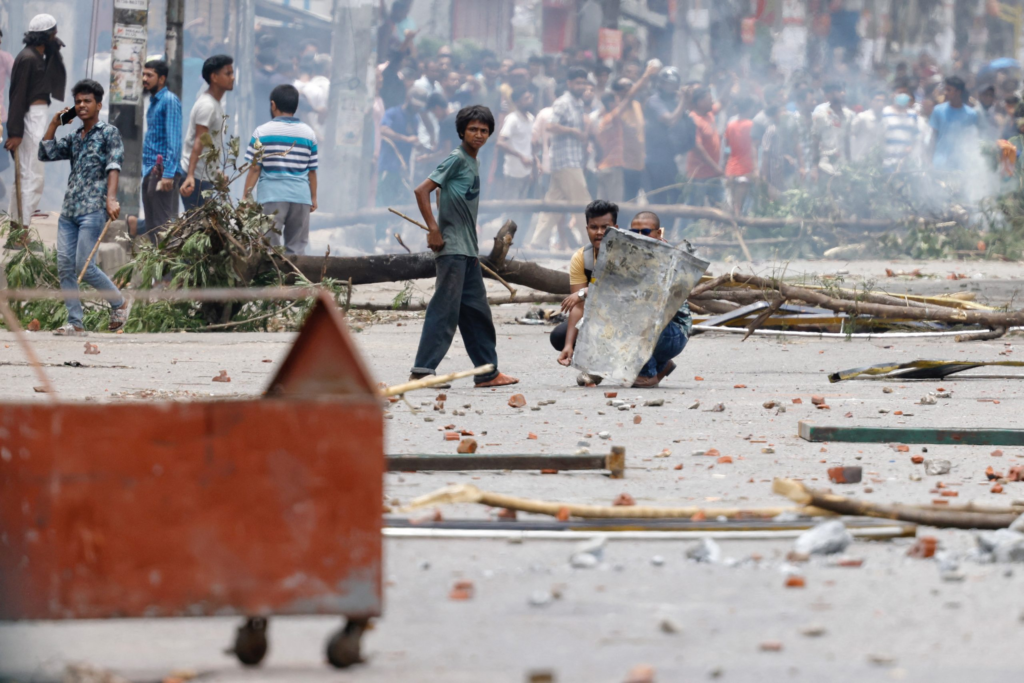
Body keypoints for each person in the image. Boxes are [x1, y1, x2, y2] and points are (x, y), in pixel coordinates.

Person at [409, 105, 519, 388]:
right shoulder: (456, 158)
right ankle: (422, 372)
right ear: (462, 132)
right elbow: (423, 190)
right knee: (445, 310)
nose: (479, 134)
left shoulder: (473, 161)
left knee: (477, 312)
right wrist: (435, 230)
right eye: (473, 129)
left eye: (484, 130)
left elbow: (443, 193)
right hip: (453, 250)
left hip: (467, 249)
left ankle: (487, 372)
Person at [551, 202, 688, 388]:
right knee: (561, 335)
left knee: (628, 315)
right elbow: (581, 306)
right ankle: (638, 365)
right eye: (594, 227)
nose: (599, 232)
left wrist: (585, 292)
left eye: (605, 227)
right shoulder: (583, 257)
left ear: (615, 229)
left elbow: (630, 295)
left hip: (668, 330)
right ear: (587, 229)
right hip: (626, 321)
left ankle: (648, 373)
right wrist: (568, 345)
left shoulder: (646, 254)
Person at [38, 79, 128, 335]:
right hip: (69, 212)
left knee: (85, 266)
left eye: (87, 101)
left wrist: (110, 199)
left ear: (99, 105)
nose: (81, 105)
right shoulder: (75, 137)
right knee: (64, 265)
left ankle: (119, 302)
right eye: (78, 102)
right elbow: (46, 153)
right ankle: (75, 322)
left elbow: (114, 165)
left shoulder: (108, 133)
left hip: (93, 210)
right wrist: (55, 123)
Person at [242, 84, 318, 256]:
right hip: (301, 198)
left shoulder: (262, 132)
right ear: (295, 107)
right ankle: (294, 280)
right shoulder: (309, 134)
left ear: (273, 105)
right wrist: (313, 197)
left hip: (271, 198)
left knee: (270, 249)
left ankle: (273, 281)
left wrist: (246, 196)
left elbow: (255, 169)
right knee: (297, 248)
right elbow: (312, 171)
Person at [6, 14, 66, 225]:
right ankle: (22, 228)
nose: (57, 37)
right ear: (46, 36)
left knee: (26, 175)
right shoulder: (28, 58)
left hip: (37, 117)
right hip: (30, 119)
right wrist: (14, 132)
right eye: (54, 34)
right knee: (33, 175)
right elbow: (17, 95)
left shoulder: (38, 56)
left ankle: (16, 225)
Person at [529, 67, 592, 250]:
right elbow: (550, 126)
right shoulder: (563, 102)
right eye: (578, 83)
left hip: (572, 159)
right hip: (565, 161)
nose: (581, 86)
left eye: (584, 83)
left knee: (553, 203)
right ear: (570, 84)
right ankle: (590, 242)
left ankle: (537, 242)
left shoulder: (578, 104)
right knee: (582, 201)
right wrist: (573, 131)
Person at [594, 64, 657, 202]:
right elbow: (630, 96)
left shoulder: (636, 105)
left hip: (641, 163)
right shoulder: (616, 113)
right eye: (626, 87)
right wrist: (646, 74)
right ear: (617, 93)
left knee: (641, 202)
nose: (630, 89)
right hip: (624, 166)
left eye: (631, 85)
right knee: (622, 204)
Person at [180, 54, 235, 211]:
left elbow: (209, 144)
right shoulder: (207, 105)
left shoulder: (214, 103)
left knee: (202, 227)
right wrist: (190, 176)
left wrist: (215, 171)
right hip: (196, 178)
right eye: (228, 73)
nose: (232, 78)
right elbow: (199, 140)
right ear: (214, 77)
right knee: (199, 228)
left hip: (203, 175)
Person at [135, 59, 182, 240]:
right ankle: (157, 267)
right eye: (144, 74)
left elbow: (174, 141)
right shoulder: (154, 102)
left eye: (150, 75)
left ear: (161, 79)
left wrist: (168, 174)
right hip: (151, 170)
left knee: (162, 228)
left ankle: (166, 268)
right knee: (152, 227)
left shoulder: (169, 101)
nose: (144, 79)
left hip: (162, 173)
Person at [376, 86, 427, 240]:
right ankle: (379, 235)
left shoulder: (415, 118)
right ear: (408, 99)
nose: (417, 108)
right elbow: (383, 130)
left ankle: (393, 237)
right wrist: (405, 139)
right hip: (388, 166)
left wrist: (417, 144)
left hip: (403, 168)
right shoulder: (393, 112)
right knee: (383, 201)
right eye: (415, 104)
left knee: (400, 201)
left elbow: (413, 137)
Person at [644, 67, 694, 205]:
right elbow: (670, 120)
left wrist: (686, 100)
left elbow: (688, 120)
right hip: (655, 158)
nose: (670, 87)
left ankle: (670, 226)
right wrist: (683, 101)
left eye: (673, 84)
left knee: (676, 196)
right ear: (660, 83)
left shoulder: (676, 100)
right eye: (667, 83)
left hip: (671, 157)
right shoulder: (654, 101)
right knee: (658, 199)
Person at [929, 76, 979, 174]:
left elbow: (971, 140)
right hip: (940, 164)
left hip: (961, 166)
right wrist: (929, 162)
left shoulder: (971, 114)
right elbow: (933, 138)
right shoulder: (938, 111)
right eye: (945, 89)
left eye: (949, 90)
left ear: (958, 92)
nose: (945, 93)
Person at [685, 86, 724, 210]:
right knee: (694, 209)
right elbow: (698, 148)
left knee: (719, 206)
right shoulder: (693, 120)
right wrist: (715, 167)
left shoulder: (709, 113)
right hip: (699, 175)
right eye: (709, 99)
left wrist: (730, 85)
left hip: (713, 173)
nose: (712, 102)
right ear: (700, 102)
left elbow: (722, 103)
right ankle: (683, 230)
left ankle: (719, 229)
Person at [495, 87, 535, 203]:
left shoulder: (531, 118)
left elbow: (529, 144)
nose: (530, 100)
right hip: (513, 171)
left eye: (530, 97)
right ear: (517, 102)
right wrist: (520, 156)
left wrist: (535, 161)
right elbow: (500, 142)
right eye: (526, 99)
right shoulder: (512, 119)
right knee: (511, 207)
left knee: (521, 207)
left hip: (526, 171)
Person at [811, 81, 854, 179]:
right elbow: (815, 141)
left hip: (843, 165)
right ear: (828, 96)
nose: (842, 94)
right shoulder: (821, 115)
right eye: (837, 91)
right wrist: (814, 167)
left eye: (842, 91)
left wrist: (850, 164)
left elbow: (847, 141)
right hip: (825, 166)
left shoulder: (848, 115)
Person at [724, 95, 757, 215]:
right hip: (746, 167)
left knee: (731, 203)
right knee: (740, 205)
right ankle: (737, 228)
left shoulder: (730, 125)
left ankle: (729, 227)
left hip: (731, 167)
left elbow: (727, 146)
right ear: (750, 108)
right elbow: (755, 146)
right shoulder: (751, 125)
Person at [881, 80, 920, 172]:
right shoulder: (885, 112)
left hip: (905, 162)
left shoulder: (913, 115)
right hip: (887, 160)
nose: (903, 95)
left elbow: (916, 136)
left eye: (905, 93)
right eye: (900, 93)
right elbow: (879, 135)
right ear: (893, 95)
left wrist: (911, 147)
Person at [850, 90, 887, 162]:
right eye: (877, 100)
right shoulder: (862, 117)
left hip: (877, 160)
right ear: (870, 102)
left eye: (883, 101)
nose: (880, 103)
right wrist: (853, 155)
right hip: (860, 159)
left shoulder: (885, 121)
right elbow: (851, 135)